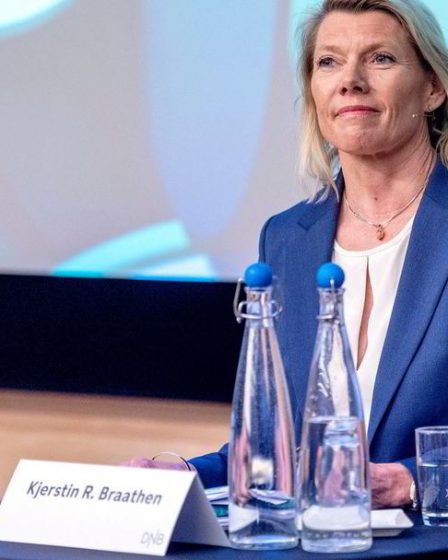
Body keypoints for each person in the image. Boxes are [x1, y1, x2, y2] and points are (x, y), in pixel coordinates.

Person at [126, 0, 448, 509]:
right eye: (329, 62)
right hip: (314, 539)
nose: (351, 81)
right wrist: (184, 477)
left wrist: (411, 482)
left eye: (381, 58)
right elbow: (272, 451)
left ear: (433, 88)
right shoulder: (286, 239)